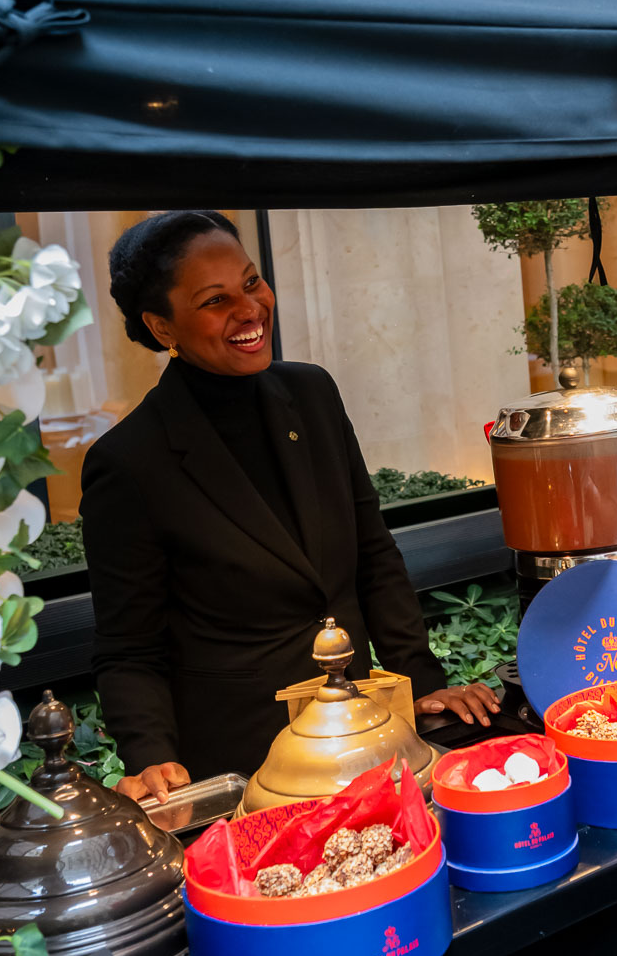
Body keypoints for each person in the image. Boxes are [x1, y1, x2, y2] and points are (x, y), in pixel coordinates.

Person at [80, 210, 499, 803]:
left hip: (367, 739)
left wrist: (423, 683)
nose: (249, 309)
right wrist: (153, 760)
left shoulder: (313, 393)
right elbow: (129, 648)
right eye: (214, 300)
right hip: (247, 767)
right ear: (161, 326)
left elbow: (373, 554)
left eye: (252, 282)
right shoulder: (128, 461)